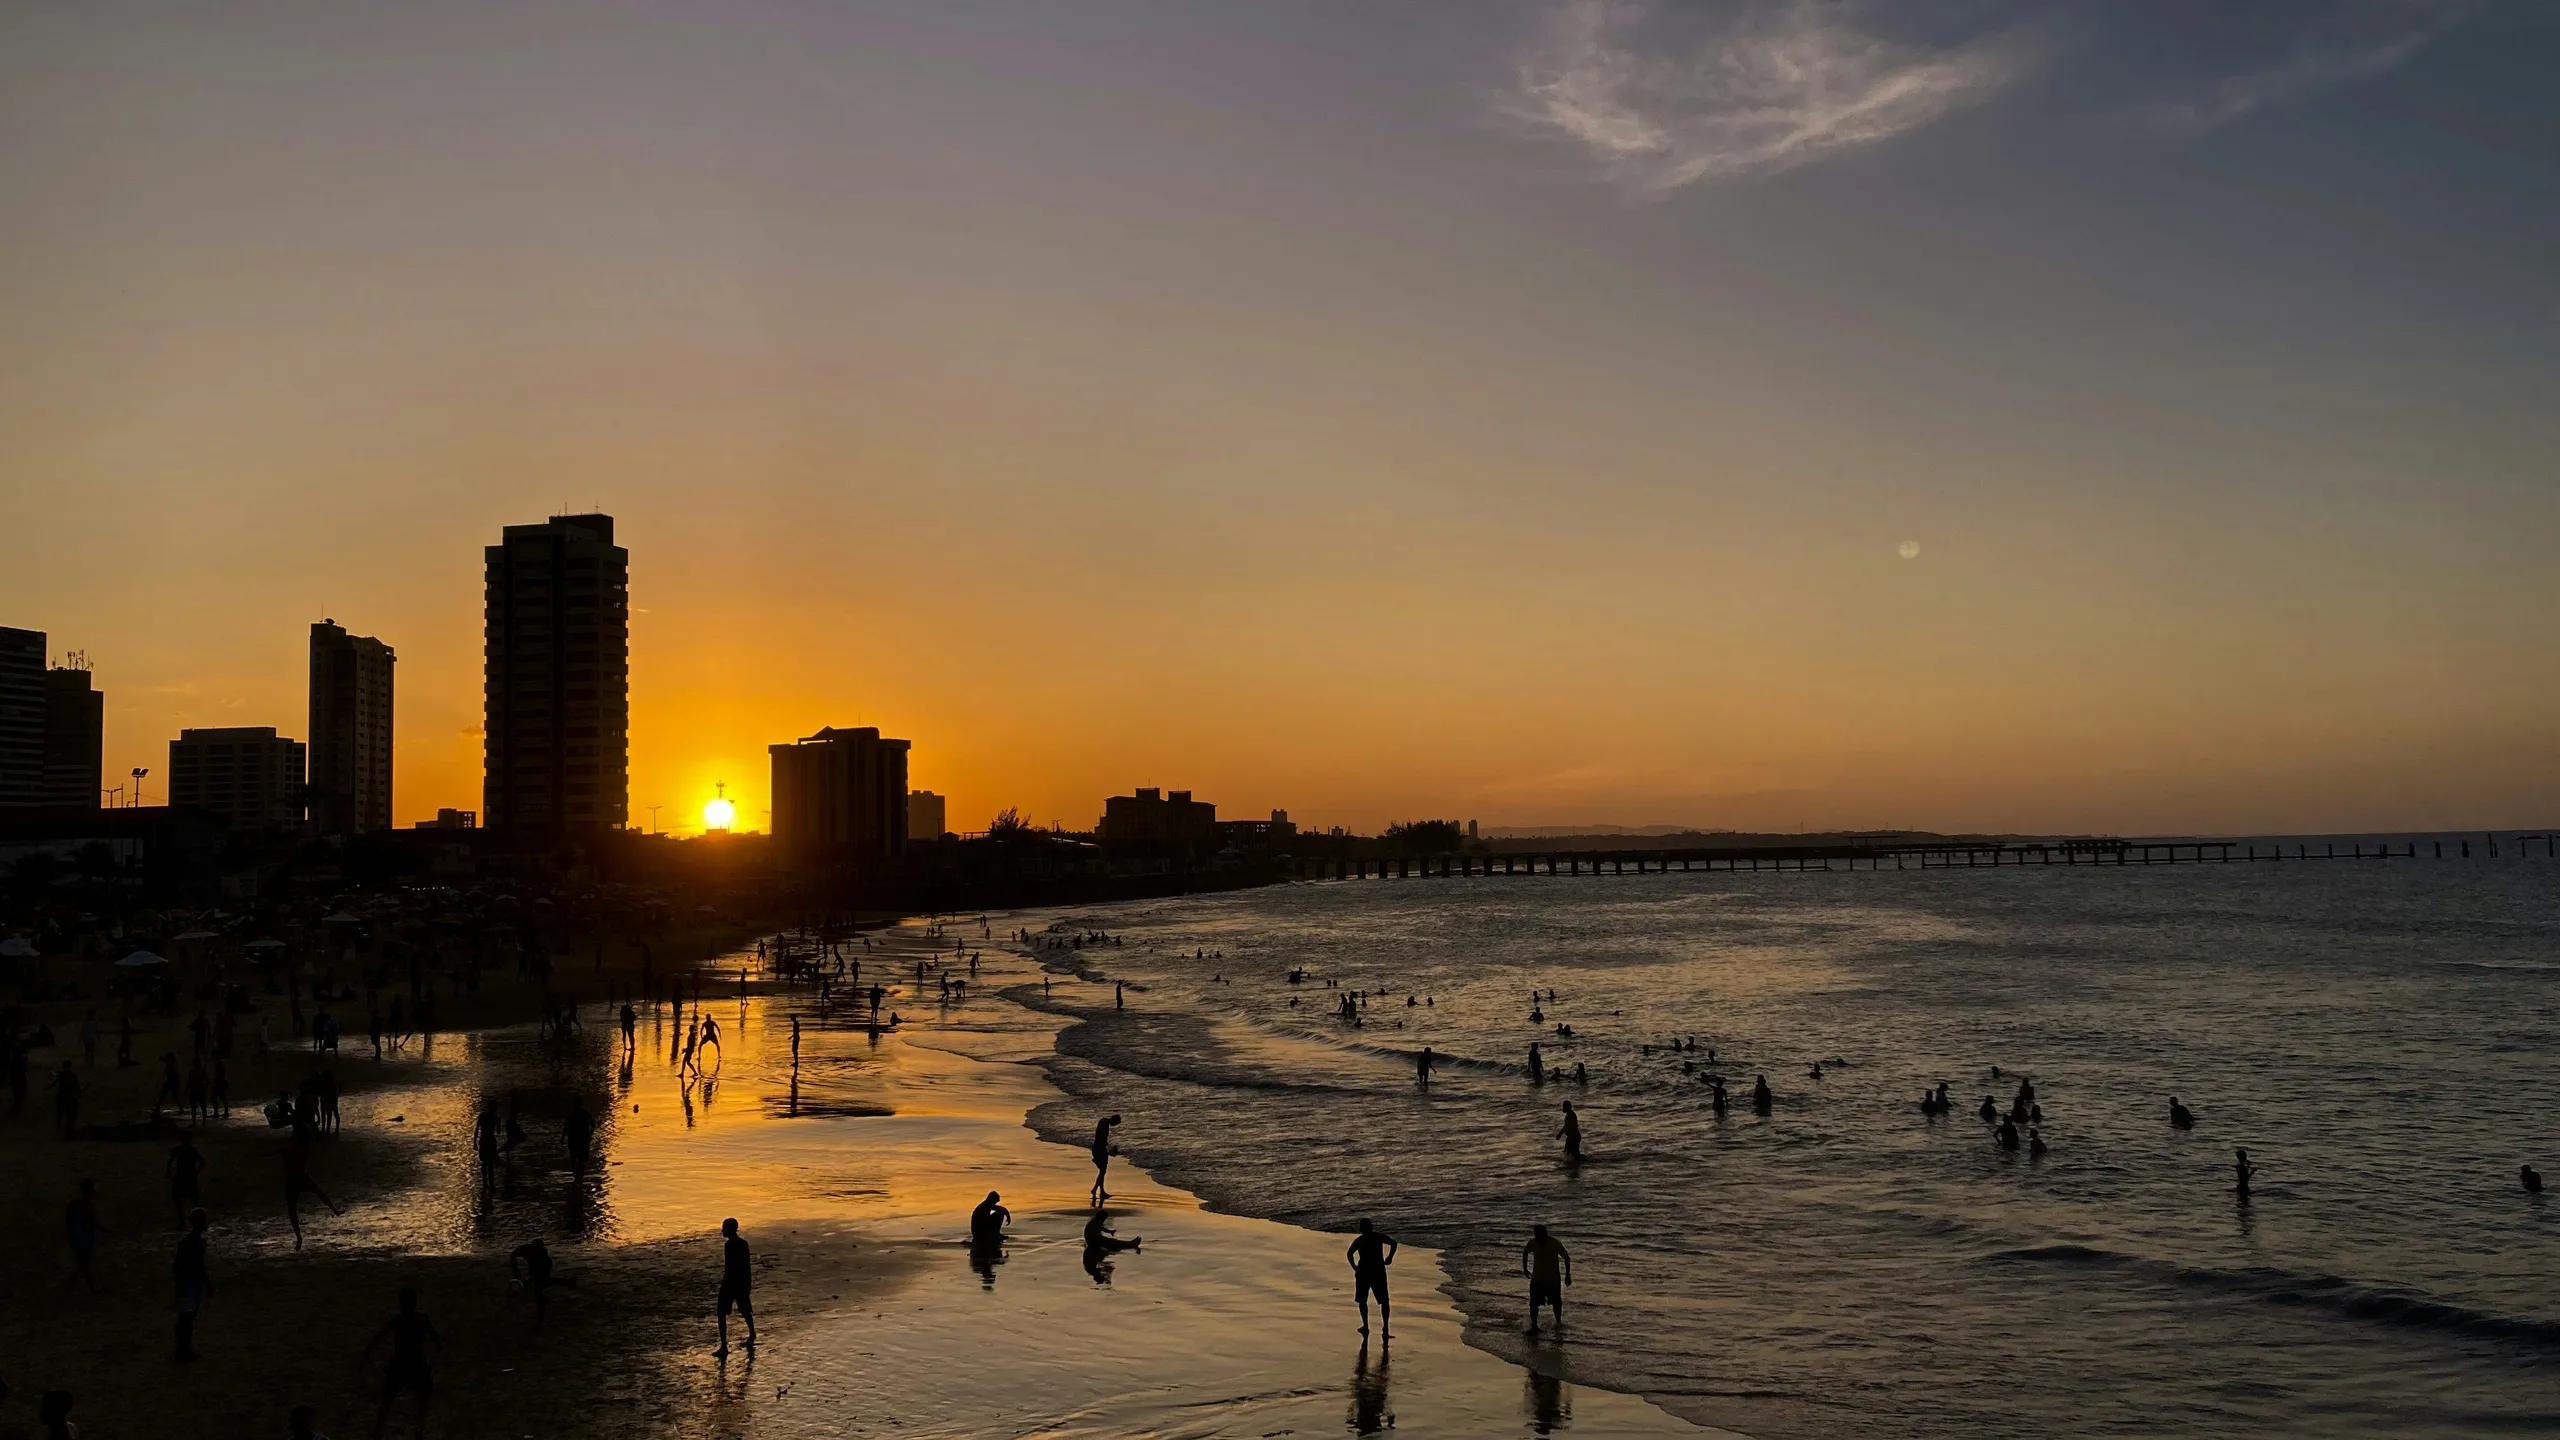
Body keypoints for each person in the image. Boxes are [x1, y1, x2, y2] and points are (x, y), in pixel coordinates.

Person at [362, 1287, 441, 1438]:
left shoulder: (397, 1320)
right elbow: (436, 1339)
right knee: (422, 1399)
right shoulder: (422, 1318)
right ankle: (419, 1430)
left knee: (388, 1400)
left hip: (399, 1363)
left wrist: (367, 1353)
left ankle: (379, 1430)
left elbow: (378, 1337)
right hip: (417, 1363)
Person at [1346, 1218, 1397, 1337]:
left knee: (1363, 1300)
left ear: (1361, 1228)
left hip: (1364, 1271)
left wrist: (1354, 1267)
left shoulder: (1360, 1240)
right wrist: (1389, 1257)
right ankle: (1385, 1327)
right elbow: (1393, 1243)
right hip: (1377, 1270)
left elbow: (1349, 1253)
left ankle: (1366, 1326)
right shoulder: (1378, 1237)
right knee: (1384, 1300)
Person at [173, 1207, 212, 1362]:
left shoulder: (187, 1242)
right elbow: (200, 1266)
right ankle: (184, 1351)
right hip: (190, 1284)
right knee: (187, 1319)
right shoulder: (196, 1243)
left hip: (184, 1283)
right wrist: (208, 1284)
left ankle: (182, 1349)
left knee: (185, 1318)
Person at [715, 1218, 755, 1356]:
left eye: (724, 1228)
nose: (722, 1231)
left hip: (732, 1282)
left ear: (731, 1229)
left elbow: (730, 1267)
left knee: (721, 1312)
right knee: (745, 1310)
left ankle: (724, 1346)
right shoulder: (743, 1244)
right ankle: (752, 1334)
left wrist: (726, 1284)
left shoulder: (730, 1246)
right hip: (742, 1282)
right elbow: (747, 1267)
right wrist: (748, 1284)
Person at [1521, 1225, 1571, 1334]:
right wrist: (1525, 1268)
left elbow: (1566, 1258)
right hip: (1537, 1278)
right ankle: (1534, 1325)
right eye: (1537, 1234)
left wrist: (1568, 1275)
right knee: (1534, 1302)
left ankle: (1558, 1323)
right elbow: (1525, 1252)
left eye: (1541, 1233)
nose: (1539, 1236)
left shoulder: (1554, 1243)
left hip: (1552, 1279)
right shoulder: (1533, 1243)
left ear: (1545, 1233)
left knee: (1556, 1302)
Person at [509, 1237, 568, 1326]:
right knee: (543, 1282)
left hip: (543, 1266)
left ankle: (540, 1321)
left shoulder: (543, 1255)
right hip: (537, 1267)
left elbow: (543, 1269)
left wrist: (532, 1277)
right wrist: (516, 1271)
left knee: (541, 1288)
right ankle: (565, 1282)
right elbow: (513, 1255)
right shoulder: (526, 1249)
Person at [65, 1179, 99, 1288]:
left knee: (83, 1265)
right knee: (83, 1265)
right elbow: (92, 1222)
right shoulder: (86, 1205)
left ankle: (92, 1287)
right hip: (82, 1239)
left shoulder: (76, 1204)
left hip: (79, 1238)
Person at [168, 1134, 206, 1224]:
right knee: (194, 1200)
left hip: (180, 1176)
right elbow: (202, 1162)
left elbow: (170, 1162)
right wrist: (196, 1173)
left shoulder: (177, 1150)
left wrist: (168, 1172)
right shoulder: (192, 1150)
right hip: (190, 1177)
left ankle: (182, 1221)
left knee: (177, 1199)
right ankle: (200, 1222)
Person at [1090, 1114, 1123, 1203]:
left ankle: (1101, 1191)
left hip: (1098, 1148)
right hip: (1099, 1148)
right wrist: (1110, 1149)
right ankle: (1095, 1190)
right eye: (1116, 1123)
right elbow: (1101, 1139)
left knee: (1102, 1171)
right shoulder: (1104, 1124)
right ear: (1114, 1120)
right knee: (1103, 1171)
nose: (1115, 1125)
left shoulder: (1103, 1121)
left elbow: (1101, 1139)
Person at [563, 1095, 596, 1171]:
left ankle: (577, 1178)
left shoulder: (573, 1114)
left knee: (576, 1160)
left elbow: (566, 1127)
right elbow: (593, 1125)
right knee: (579, 1160)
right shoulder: (584, 1113)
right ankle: (579, 1178)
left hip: (576, 1139)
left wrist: (563, 1137)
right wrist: (589, 1135)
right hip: (581, 1139)